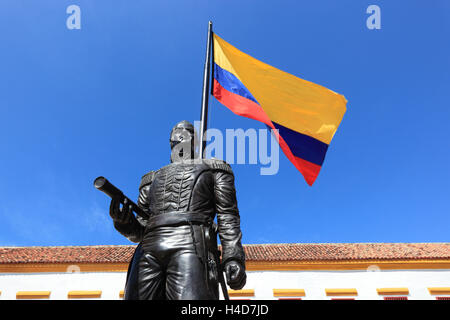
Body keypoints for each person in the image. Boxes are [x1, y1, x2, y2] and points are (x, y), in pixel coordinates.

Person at [109, 120, 246, 300]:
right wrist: (124, 222)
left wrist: (233, 257)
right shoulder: (151, 179)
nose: (181, 136)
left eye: (187, 133)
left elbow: (227, 216)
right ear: (170, 141)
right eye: (177, 134)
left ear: (195, 142)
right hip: (149, 247)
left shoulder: (215, 169)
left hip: (192, 242)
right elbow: (139, 230)